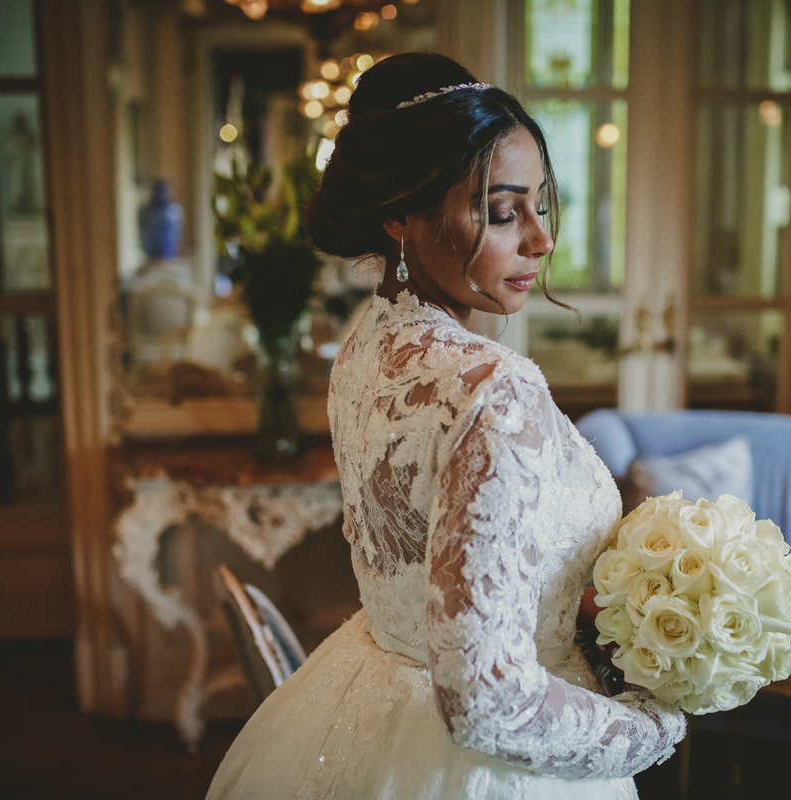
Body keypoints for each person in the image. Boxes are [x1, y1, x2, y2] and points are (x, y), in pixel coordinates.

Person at [206, 52, 685, 800]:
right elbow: (485, 701)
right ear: (399, 214)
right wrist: (649, 730)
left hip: (370, 695)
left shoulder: (364, 344)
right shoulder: (494, 392)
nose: (538, 238)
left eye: (541, 204)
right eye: (500, 211)